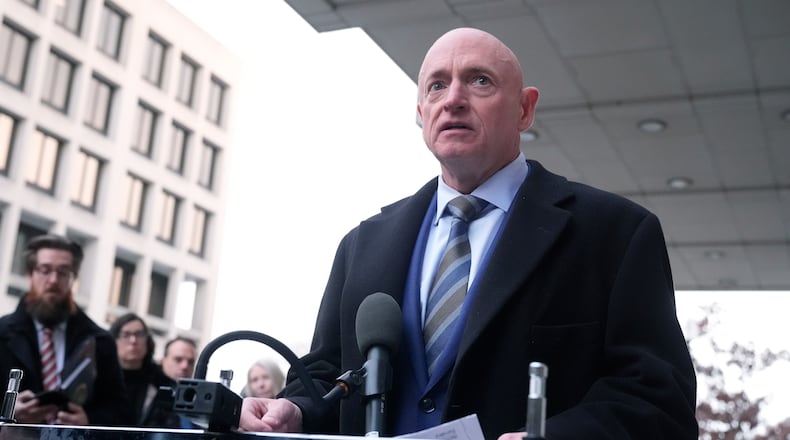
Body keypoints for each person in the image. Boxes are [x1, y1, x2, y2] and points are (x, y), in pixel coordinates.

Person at [239, 27, 698, 439]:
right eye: (437, 85)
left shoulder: (613, 233)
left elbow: (658, 399)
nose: (453, 98)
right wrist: (293, 410)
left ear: (525, 108)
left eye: (479, 81)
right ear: (422, 112)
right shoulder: (363, 245)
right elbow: (323, 374)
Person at [0, 234, 132, 426]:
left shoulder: (100, 341)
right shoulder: (2, 334)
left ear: (73, 278)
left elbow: (121, 412)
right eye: (45, 270)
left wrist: (89, 421)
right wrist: (8, 412)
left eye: (63, 272)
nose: (53, 280)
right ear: (30, 274)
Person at [109, 313, 180, 427]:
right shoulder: (101, 378)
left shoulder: (163, 384)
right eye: (126, 335)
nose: (133, 340)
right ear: (114, 340)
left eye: (139, 334)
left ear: (148, 340)